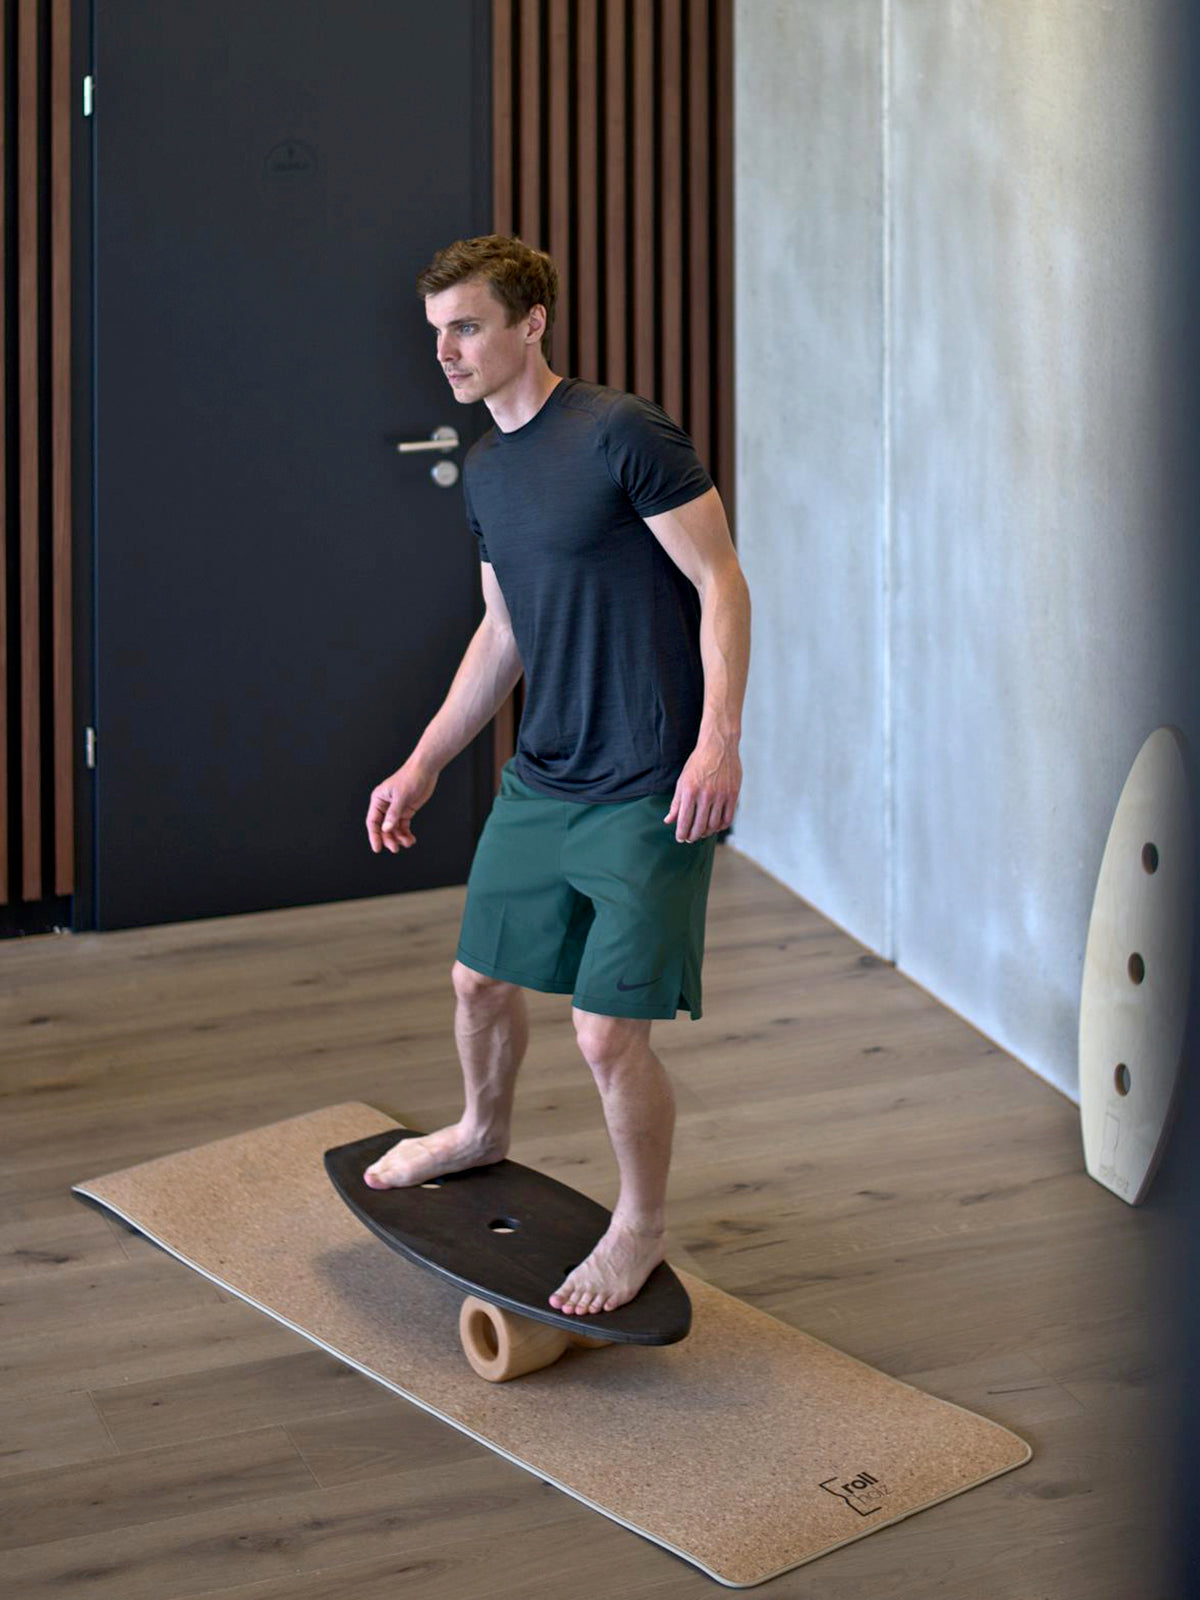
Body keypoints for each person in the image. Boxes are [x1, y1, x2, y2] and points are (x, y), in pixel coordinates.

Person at [362, 233, 751, 1316]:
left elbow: (721, 583)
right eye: (437, 333)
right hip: (545, 775)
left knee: (604, 1032)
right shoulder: (488, 469)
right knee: (476, 982)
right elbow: (502, 632)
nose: (447, 352)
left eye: (468, 326)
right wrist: (424, 760)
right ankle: (480, 1129)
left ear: (532, 322)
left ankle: (640, 1226)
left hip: (649, 782)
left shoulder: (622, 433)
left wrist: (719, 740)